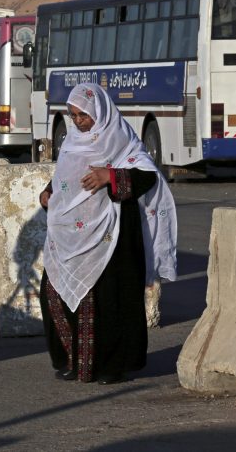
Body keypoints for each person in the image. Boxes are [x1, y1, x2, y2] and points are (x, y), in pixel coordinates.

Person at [38, 83, 177, 385]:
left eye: (84, 116)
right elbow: (64, 177)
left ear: (98, 112)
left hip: (112, 236)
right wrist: (48, 193)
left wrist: (110, 176)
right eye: (74, 116)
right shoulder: (73, 142)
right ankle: (73, 361)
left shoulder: (120, 139)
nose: (79, 122)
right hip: (72, 236)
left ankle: (112, 366)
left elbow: (146, 176)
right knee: (53, 291)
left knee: (109, 301)